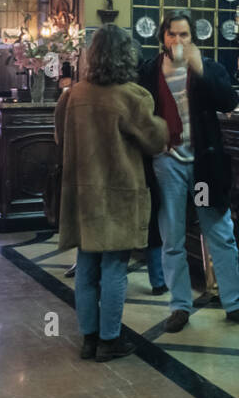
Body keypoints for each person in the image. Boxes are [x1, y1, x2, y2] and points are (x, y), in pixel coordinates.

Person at [138, 11, 239, 333]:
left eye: (184, 36)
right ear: (163, 37)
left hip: (205, 164)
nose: (178, 41)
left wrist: (201, 69)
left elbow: (229, 101)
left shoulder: (208, 69)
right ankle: (180, 306)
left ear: (193, 39)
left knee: (219, 233)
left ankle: (235, 303)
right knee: (172, 238)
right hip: (167, 163)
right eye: (172, 35)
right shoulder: (149, 72)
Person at [55, 24, 168, 362]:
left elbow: (59, 137)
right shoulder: (132, 95)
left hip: (81, 193)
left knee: (87, 265)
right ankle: (110, 339)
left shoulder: (73, 95)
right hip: (118, 193)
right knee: (115, 267)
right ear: (126, 55)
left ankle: (89, 339)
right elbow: (155, 141)